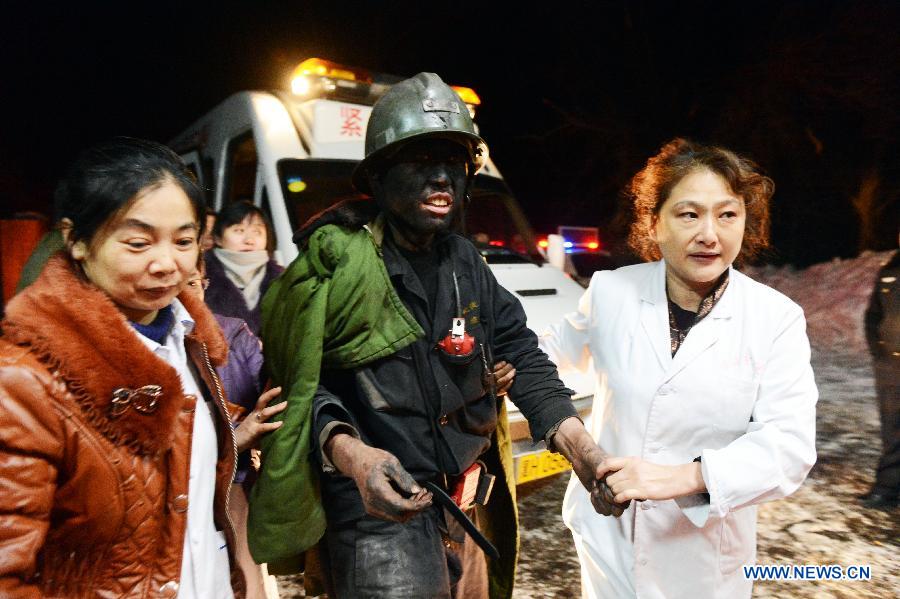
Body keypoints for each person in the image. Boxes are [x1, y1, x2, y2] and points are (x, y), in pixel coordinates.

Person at [248, 73, 615, 598]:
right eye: (422, 161)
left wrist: (583, 451)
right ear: (377, 178)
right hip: (379, 520)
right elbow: (300, 386)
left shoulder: (466, 261)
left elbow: (519, 350)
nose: (443, 177)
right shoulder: (341, 268)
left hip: (468, 511)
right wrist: (353, 456)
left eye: (455, 164)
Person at [0, 138, 280, 597]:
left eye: (184, 241)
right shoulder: (24, 379)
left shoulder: (190, 341)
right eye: (137, 242)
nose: (166, 264)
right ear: (76, 240)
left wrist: (232, 428)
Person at [540, 138, 818, 598]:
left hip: (704, 558)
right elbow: (551, 357)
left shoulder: (774, 317)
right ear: (654, 223)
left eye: (727, 214)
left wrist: (679, 478)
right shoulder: (611, 292)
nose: (710, 234)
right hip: (609, 541)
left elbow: (788, 446)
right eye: (689, 214)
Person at [185, 264, 285, 598]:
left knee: (242, 583)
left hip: (231, 486)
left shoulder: (231, 334)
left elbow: (269, 394)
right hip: (168, 503)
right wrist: (235, 437)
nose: (183, 295)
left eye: (192, 283)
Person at [859, 235, 899, 509]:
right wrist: (879, 351)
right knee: (893, 429)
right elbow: (873, 315)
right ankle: (887, 488)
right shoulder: (890, 270)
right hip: (891, 366)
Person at [205, 201, 284, 335]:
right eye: (239, 230)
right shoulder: (200, 277)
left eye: (257, 232)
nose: (249, 240)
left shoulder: (284, 280)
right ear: (218, 238)